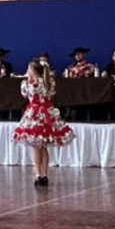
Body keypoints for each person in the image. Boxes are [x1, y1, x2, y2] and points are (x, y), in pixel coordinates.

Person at [13, 59, 74, 188]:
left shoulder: (29, 83)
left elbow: (25, 95)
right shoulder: (48, 82)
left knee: (36, 147)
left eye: (29, 69)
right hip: (47, 113)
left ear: (33, 70)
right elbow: (51, 96)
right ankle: (45, 175)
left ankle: (38, 175)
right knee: (44, 147)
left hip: (34, 114)